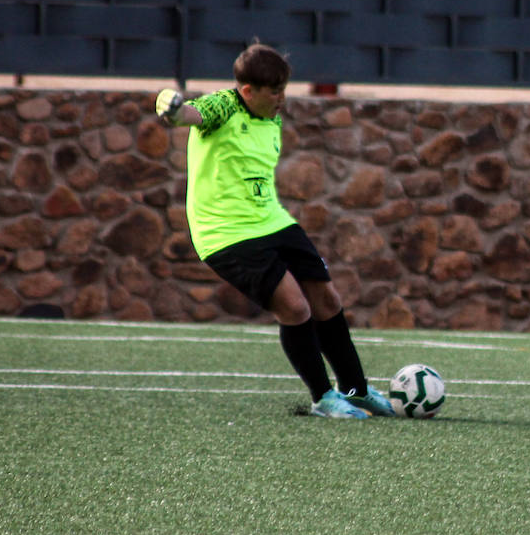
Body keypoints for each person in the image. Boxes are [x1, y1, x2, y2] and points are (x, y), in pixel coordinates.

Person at [154, 44, 394, 419]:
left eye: (284, 89)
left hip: (272, 221)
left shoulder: (271, 115)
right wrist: (170, 106)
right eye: (274, 91)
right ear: (248, 91)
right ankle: (323, 398)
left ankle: (356, 390)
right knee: (294, 306)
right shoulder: (223, 107)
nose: (282, 98)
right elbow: (188, 115)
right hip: (226, 232)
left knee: (326, 300)